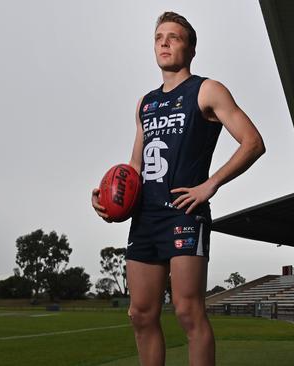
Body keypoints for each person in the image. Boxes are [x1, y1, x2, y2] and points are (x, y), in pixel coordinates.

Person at [91, 11, 265, 366]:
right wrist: (112, 201)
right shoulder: (145, 103)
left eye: (174, 37)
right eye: (159, 37)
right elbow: (135, 168)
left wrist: (210, 184)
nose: (165, 43)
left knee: (188, 312)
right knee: (140, 314)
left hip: (185, 213)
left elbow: (252, 142)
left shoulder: (207, 89)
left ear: (191, 48)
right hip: (146, 217)